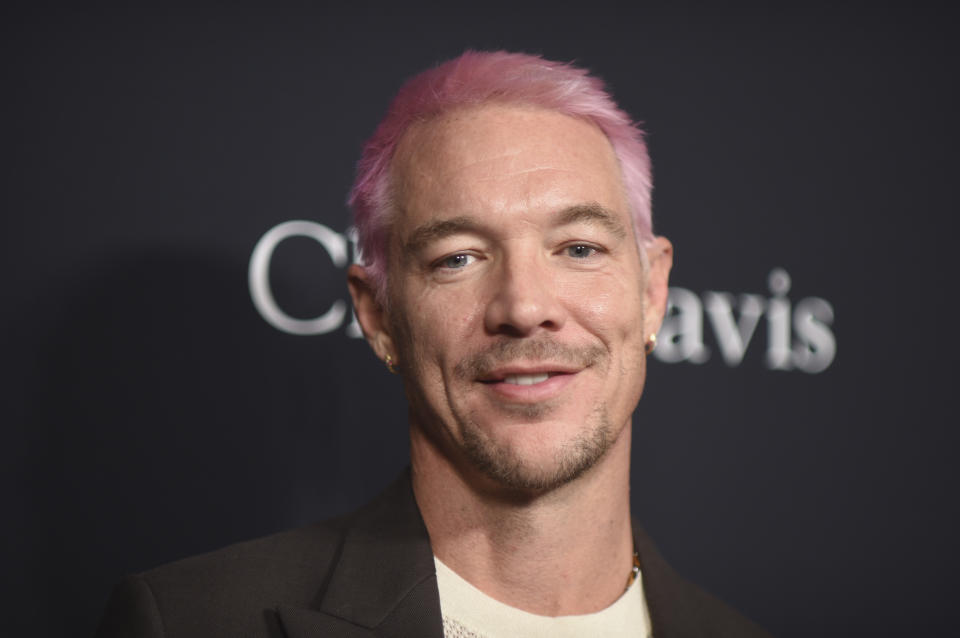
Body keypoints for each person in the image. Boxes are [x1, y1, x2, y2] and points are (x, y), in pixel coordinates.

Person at [96, 50, 771, 638]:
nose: (525, 307)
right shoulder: (191, 621)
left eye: (579, 248)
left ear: (652, 292)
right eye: (458, 258)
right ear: (380, 317)